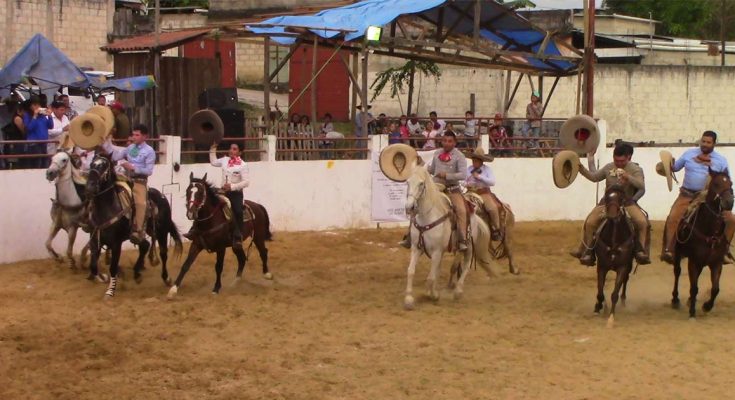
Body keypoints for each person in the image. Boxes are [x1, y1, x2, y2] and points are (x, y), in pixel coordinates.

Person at [570, 144, 651, 266]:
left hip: (627, 203)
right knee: (590, 222)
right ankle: (586, 251)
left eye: (622, 161)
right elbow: (594, 177)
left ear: (628, 157)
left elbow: (641, 186)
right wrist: (581, 169)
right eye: (616, 160)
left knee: (642, 222)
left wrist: (628, 177)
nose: (618, 163)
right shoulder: (609, 167)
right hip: (607, 202)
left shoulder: (635, 169)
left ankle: (641, 251)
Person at [661, 131, 735, 264]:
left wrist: (711, 166)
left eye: (708, 142)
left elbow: (726, 179)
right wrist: (666, 165)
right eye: (703, 141)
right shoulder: (689, 154)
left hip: (709, 197)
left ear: (714, 144)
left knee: (731, 219)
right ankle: (670, 250)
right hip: (687, 194)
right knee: (673, 217)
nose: (705, 144)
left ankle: (724, 251)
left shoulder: (721, 160)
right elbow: (675, 168)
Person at [400, 132, 469, 251]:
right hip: (435, 188)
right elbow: (432, 170)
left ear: (454, 142)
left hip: (452, 189)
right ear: (441, 141)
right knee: (417, 206)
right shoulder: (437, 153)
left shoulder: (460, 156)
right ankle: (410, 236)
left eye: (450, 141)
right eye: (445, 140)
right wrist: (422, 164)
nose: (447, 143)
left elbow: (463, 175)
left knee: (461, 210)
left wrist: (447, 175)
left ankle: (462, 239)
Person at [185, 143, 250, 247]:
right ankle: (194, 229)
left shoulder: (243, 165)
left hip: (235, 194)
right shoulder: (225, 160)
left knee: (237, 210)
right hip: (222, 191)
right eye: (230, 148)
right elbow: (213, 162)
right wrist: (213, 148)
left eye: (234, 149)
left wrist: (232, 186)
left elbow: (246, 182)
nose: (231, 150)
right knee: (205, 203)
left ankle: (238, 235)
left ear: (240, 152)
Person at [102, 124, 156, 244]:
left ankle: (138, 230)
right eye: (133, 135)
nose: (134, 137)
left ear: (145, 136)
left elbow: (149, 171)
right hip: (125, 178)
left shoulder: (149, 151)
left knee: (140, 203)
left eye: (137, 135)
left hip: (139, 181)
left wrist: (132, 168)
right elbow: (115, 155)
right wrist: (105, 141)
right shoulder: (131, 148)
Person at [465, 147, 502, 241]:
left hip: (483, 193)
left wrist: (480, 177)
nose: (474, 162)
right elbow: (463, 180)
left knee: (492, 208)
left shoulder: (487, 170)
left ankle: (496, 228)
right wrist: (467, 184)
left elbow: (492, 182)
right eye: (473, 160)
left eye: (476, 160)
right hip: (470, 192)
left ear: (481, 161)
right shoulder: (469, 169)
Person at [22, 96, 54, 169]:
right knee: (37, 164)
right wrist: (35, 116)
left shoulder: (42, 115)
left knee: (44, 163)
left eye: (38, 105)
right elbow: (29, 128)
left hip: (44, 143)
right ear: (30, 106)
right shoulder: (27, 115)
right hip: (33, 144)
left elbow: (50, 126)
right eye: (34, 105)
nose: (37, 107)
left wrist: (50, 116)